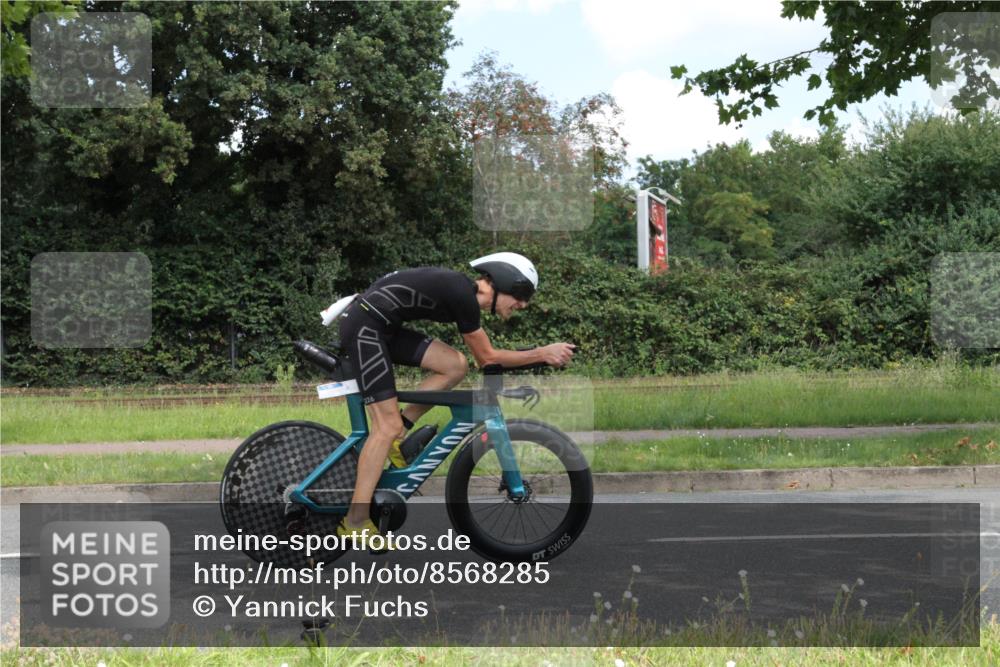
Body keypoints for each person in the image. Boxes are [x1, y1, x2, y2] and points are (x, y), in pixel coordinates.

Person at [335, 251, 575, 541]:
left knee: (454, 365)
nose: (522, 304)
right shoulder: (461, 293)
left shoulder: (461, 293)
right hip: (367, 328)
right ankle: (356, 520)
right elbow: (487, 358)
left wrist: (536, 355)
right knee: (385, 427)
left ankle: (400, 434)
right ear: (500, 281)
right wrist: (542, 353)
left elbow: (477, 360)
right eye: (521, 294)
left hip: (380, 325)